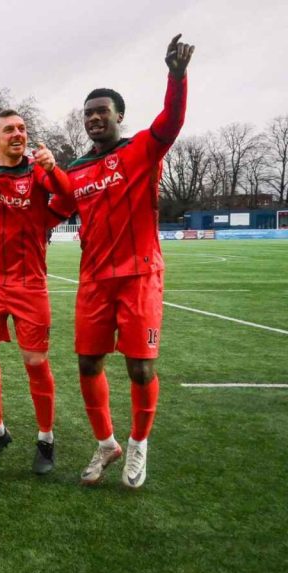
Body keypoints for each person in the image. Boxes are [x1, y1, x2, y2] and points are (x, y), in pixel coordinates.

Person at [66, 34, 193, 488]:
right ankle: (106, 444)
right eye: (88, 113)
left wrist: (176, 78)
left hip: (140, 276)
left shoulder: (142, 149)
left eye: (102, 111)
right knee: (87, 363)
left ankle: (139, 444)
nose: (95, 117)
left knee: (140, 367)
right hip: (94, 281)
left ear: (119, 116)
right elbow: (51, 204)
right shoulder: (76, 169)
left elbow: (171, 121)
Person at [0, 107, 73, 474]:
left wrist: (54, 168)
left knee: (35, 362)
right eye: (9, 129)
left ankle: (46, 438)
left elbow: (69, 200)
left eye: (22, 128)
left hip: (30, 284)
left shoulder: (38, 171)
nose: (18, 134)